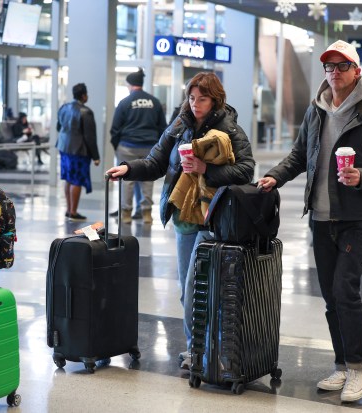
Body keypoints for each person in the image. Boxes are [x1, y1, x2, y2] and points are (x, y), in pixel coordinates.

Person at [256, 40, 362, 402]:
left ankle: (357, 368)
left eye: (342, 66)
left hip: (358, 217)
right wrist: (275, 176)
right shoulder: (317, 109)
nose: (334, 73)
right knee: (329, 297)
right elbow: (298, 155)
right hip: (321, 218)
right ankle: (341, 365)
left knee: (345, 290)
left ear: (357, 71)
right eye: (329, 67)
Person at [106, 71, 255, 370]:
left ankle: (219, 352)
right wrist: (128, 169)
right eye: (191, 97)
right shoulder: (179, 126)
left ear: (215, 100)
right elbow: (156, 162)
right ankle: (196, 350)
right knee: (188, 291)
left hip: (214, 219)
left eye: (202, 99)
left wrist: (205, 169)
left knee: (205, 289)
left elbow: (247, 170)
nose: (195, 104)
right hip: (184, 218)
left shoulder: (230, 129)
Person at [110, 68, 168, 224]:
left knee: (127, 180)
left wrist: (117, 146)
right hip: (149, 147)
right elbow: (163, 127)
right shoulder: (154, 102)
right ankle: (147, 213)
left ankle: (126, 214)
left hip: (127, 146)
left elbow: (115, 128)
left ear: (130, 85)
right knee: (147, 179)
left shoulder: (125, 102)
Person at [56, 83, 101, 222]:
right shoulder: (86, 112)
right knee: (76, 180)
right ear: (83, 95)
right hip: (78, 150)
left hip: (64, 148)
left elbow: (59, 127)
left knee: (68, 179)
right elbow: (89, 136)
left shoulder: (64, 107)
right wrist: (96, 156)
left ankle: (69, 210)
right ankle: (74, 212)